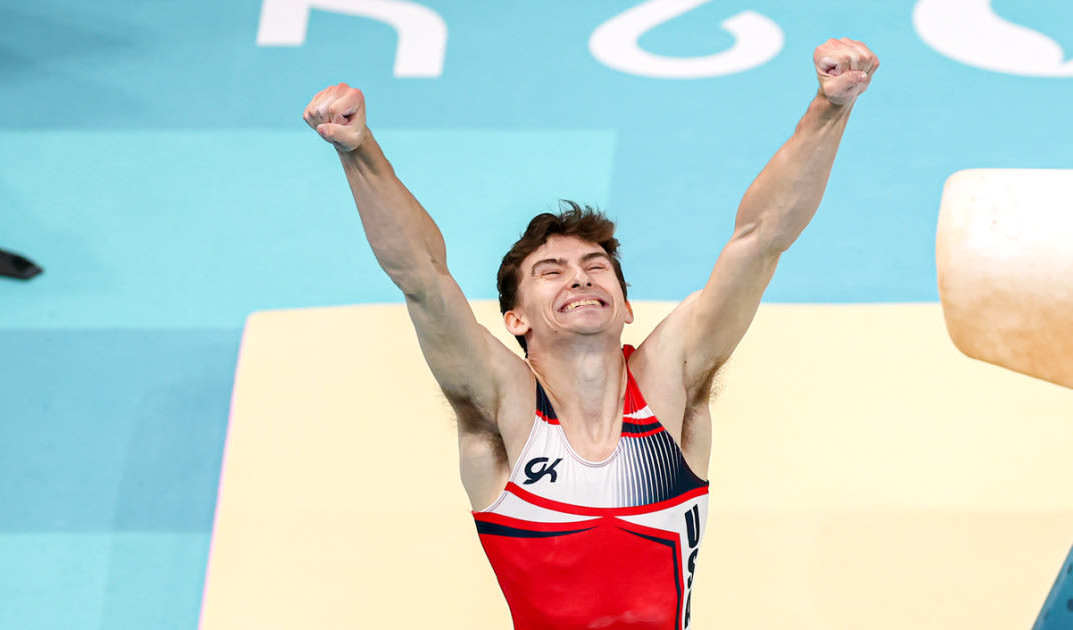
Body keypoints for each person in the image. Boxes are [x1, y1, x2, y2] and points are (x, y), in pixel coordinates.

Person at [303, 37, 878, 630]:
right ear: (515, 321)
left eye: (596, 267)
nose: (579, 277)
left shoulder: (667, 385)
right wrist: (359, 150)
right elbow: (421, 276)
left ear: (626, 306)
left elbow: (761, 239)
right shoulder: (505, 409)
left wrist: (828, 108)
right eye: (550, 272)